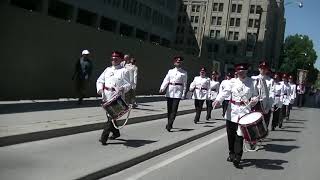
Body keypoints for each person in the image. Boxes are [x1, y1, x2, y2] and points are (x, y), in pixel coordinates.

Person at [213, 63, 258, 168]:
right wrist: (218, 100)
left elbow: (255, 95)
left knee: (240, 134)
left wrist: (254, 100)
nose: (241, 73)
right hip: (232, 111)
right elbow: (225, 92)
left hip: (244, 111)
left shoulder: (252, 82)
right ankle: (231, 153)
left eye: (244, 72)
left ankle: (238, 156)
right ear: (236, 72)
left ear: (246, 72)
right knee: (231, 134)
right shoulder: (232, 82)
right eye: (239, 72)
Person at [96, 51, 131, 145]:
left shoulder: (124, 71)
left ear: (121, 59)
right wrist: (100, 89)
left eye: (116, 59)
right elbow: (100, 80)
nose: (113, 60)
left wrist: (123, 88)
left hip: (116, 97)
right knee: (111, 117)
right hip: (106, 96)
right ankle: (116, 133)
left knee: (111, 117)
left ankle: (104, 138)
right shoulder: (107, 69)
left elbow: (128, 84)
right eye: (112, 59)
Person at [159, 56, 188, 132]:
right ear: (174, 62)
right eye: (177, 61)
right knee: (169, 109)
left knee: (174, 109)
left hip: (178, 92)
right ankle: (170, 123)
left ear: (181, 63)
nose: (178, 62)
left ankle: (169, 124)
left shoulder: (184, 73)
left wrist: (183, 93)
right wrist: (162, 88)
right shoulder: (170, 71)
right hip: (170, 91)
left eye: (180, 61)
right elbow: (166, 80)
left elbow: (185, 84)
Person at [251, 61, 273, 129]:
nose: (263, 70)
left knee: (265, 121)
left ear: (267, 70)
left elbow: (272, 94)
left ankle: (263, 133)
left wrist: (270, 106)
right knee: (255, 121)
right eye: (261, 68)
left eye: (265, 68)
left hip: (265, 103)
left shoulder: (270, 80)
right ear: (259, 69)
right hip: (256, 103)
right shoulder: (253, 78)